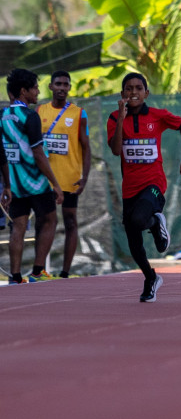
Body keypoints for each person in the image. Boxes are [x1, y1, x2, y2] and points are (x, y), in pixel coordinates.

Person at [106, 73, 181, 302]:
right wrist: (122, 118)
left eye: (138, 87)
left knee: (139, 218)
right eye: (128, 88)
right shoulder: (115, 118)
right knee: (134, 242)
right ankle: (151, 277)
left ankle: (156, 222)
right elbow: (116, 150)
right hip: (130, 188)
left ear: (146, 93)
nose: (133, 91)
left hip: (154, 183)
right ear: (122, 94)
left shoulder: (158, 115)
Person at [2, 68, 65, 284]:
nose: (38, 92)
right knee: (49, 219)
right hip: (36, 182)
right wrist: (55, 183)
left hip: (15, 183)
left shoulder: (1, 117)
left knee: (17, 227)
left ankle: (16, 277)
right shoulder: (30, 116)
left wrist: (6, 186)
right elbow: (38, 153)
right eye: (35, 88)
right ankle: (38, 271)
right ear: (23, 91)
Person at [41, 70, 90, 278]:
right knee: (43, 223)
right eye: (58, 84)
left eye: (65, 84)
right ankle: (39, 270)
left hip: (70, 178)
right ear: (51, 87)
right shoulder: (39, 111)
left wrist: (85, 176)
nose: (62, 88)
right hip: (45, 180)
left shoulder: (79, 113)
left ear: (70, 88)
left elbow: (86, 147)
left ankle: (65, 272)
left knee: (70, 222)